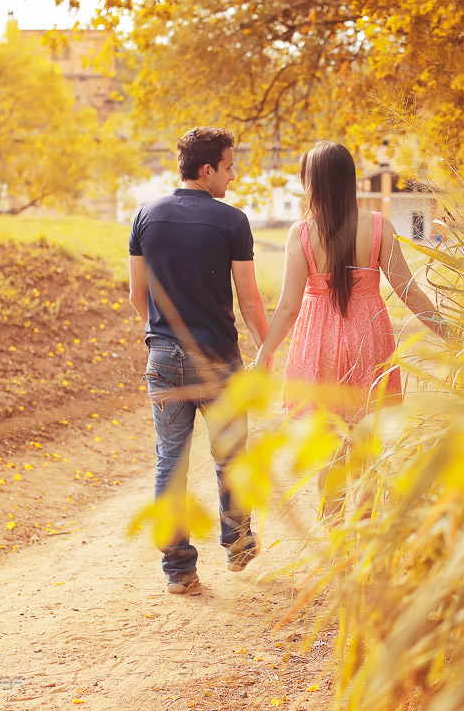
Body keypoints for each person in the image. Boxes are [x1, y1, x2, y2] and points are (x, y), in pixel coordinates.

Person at [248, 141, 450, 517]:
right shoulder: (378, 226)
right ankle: (363, 531)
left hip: (317, 342)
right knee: (367, 442)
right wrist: (451, 333)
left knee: (328, 448)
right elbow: (408, 290)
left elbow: (289, 306)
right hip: (367, 340)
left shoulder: (302, 233)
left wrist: (264, 353)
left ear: (315, 183)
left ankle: (335, 535)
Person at [128, 126, 269, 595]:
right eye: (229, 166)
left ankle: (178, 571)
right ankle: (237, 539)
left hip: (164, 357)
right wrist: (267, 352)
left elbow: (137, 294)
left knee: (171, 460)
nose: (233, 174)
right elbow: (249, 301)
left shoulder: (146, 215)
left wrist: (161, 334)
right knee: (231, 455)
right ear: (207, 169)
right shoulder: (232, 221)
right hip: (219, 361)